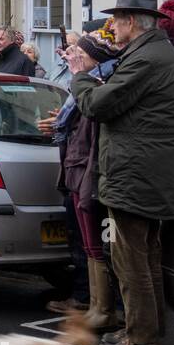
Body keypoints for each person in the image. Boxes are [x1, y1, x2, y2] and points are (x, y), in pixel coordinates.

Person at [68, 0, 174, 345]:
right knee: (143, 258)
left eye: (116, 20)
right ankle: (143, 333)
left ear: (131, 21)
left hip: (135, 177)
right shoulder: (151, 53)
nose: (112, 27)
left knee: (131, 260)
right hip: (141, 176)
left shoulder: (148, 57)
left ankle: (141, 343)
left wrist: (81, 77)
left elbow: (99, 104)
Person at [49, 34, 120, 327]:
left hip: (86, 173)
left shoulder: (93, 88)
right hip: (76, 170)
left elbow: (92, 138)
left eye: (80, 51)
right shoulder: (81, 87)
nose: (72, 54)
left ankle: (104, 309)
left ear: (93, 59)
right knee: (90, 244)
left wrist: (87, 179)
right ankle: (96, 305)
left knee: (99, 244)